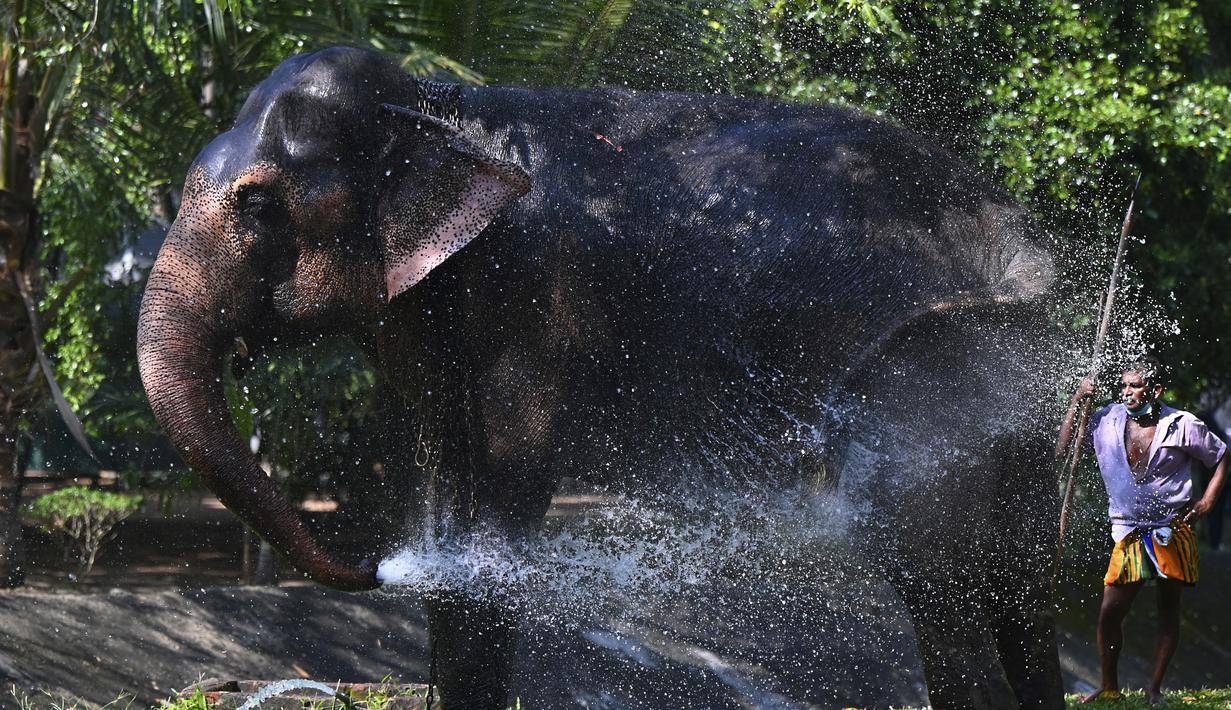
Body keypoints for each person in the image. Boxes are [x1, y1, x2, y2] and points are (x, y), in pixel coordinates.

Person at [1057, 355, 1228, 705]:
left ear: (1156, 389)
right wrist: (1077, 402)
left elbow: (1222, 456)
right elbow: (1063, 448)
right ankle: (1108, 685)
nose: (1127, 392)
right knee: (1110, 613)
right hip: (1128, 530)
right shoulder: (1105, 419)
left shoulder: (1182, 424)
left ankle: (1154, 689)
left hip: (1172, 527)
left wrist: (1208, 500)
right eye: (1124, 385)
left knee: (1169, 609)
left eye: (1135, 385)